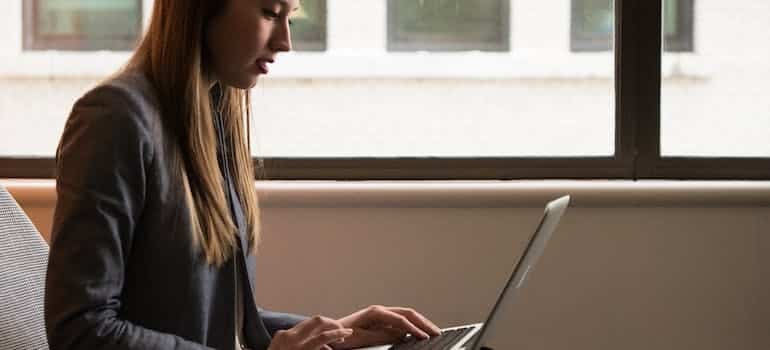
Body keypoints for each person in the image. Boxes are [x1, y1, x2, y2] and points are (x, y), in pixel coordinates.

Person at [43, 0, 441, 349]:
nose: (285, 41)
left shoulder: (216, 114)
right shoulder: (114, 120)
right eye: (269, 13)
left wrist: (334, 334)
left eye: (290, 18)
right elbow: (81, 330)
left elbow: (223, 326)